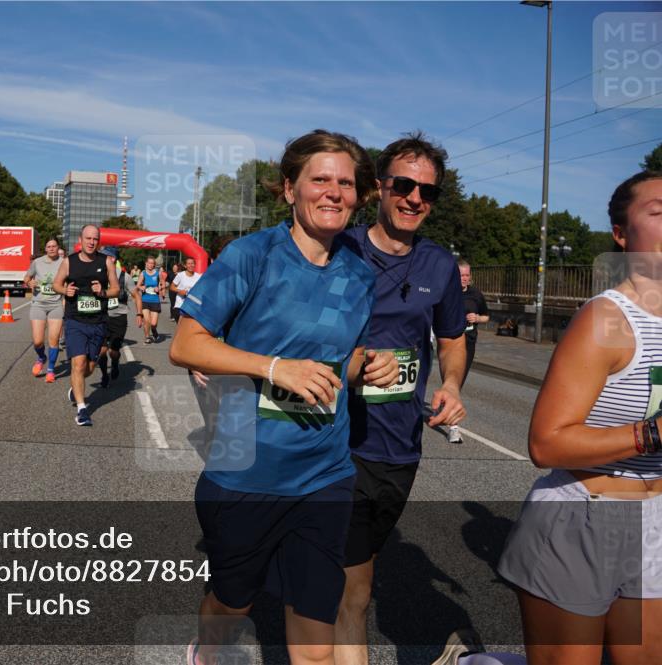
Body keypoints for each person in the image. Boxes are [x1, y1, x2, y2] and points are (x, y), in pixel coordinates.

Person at [170, 130, 399, 665]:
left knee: (315, 641)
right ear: (290, 189)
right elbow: (186, 345)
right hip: (246, 472)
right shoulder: (252, 255)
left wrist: (372, 365)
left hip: (324, 475)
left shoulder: (359, 274)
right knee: (232, 605)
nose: (334, 191)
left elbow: (346, 360)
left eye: (346, 183)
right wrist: (274, 367)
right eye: (320, 179)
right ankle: (206, 650)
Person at [483, 172, 662, 665]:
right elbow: (546, 444)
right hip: (584, 516)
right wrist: (653, 433)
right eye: (659, 212)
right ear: (621, 235)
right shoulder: (607, 320)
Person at [334, 131, 467, 665]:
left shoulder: (439, 265)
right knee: (352, 591)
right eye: (404, 186)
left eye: (427, 192)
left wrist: (451, 384)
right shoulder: (340, 247)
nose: (415, 199)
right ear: (379, 187)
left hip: (399, 446)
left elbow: (452, 338)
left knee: (359, 569)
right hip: (335, 439)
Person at [53, 224, 120, 426]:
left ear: (98, 242)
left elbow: (116, 290)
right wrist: (65, 291)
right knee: (78, 363)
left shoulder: (106, 261)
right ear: (80, 240)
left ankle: (76, 388)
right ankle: (82, 410)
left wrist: (103, 292)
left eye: (95, 239)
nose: (91, 242)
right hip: (75, 320)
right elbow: (56, 284)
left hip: (98, 321)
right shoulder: (69, 262)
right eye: (88, 238)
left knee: (89, 368)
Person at [447, 260, 491, 443]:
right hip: (450, 343)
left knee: (458, 382)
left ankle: (446, 404)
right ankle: (453, 428)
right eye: (461, 275)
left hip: (469, 343)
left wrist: (477, 318)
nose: (464, 279)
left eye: (467, 275)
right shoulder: (447, 292)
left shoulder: (475, 294)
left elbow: (487, 316)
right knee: (453, 382)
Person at [97, 246, 140, 388]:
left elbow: (136, 295)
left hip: (118, 317)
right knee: (101, 351)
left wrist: (139, 313)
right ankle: (104, 374)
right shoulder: (97, 273)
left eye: (104, 256)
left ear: (113, 258)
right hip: (101, 316)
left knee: (113, 352)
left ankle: (115, 363)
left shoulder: (125, 277)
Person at [25, 238, 65, 383]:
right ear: (46, 249)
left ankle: (51, 370)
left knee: (53, 340)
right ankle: (42, 357)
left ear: (58, 248)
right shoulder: (37, 262)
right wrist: (29, 282)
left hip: (56, 305)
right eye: (49, 246)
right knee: (37, 341)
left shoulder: (64, 263)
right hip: (38, 304)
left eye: (54, 246)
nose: (51, 248)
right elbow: (26, 277)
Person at [137, 257, 164, 343]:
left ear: (154, 264)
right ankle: (147, 337)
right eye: (149, 263)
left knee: (153, 323)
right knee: (147, 321)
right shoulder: (143, 273)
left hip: (155, 300)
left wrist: (159, 288)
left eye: (152, 263)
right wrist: (142, 287)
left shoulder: (158, 273)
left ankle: (154, 330)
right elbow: (138, 285)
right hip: (145, 299)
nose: (150, 265)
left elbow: (162, 284)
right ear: (146, 263)